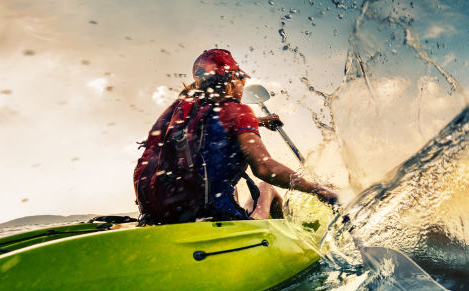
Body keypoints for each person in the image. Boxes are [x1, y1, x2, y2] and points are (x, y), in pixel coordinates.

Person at [134, 49, 337, 224]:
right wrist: (317, 189)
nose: (243, 85)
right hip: (215, 216)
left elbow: (213, 128)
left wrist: (259, 121)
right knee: (267, 188)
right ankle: (287, 240)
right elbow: (265, 168)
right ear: (233, 79)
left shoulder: (183, 113)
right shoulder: (238, 111)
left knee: (222, 180)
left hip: (165, 216)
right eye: (242, 80)